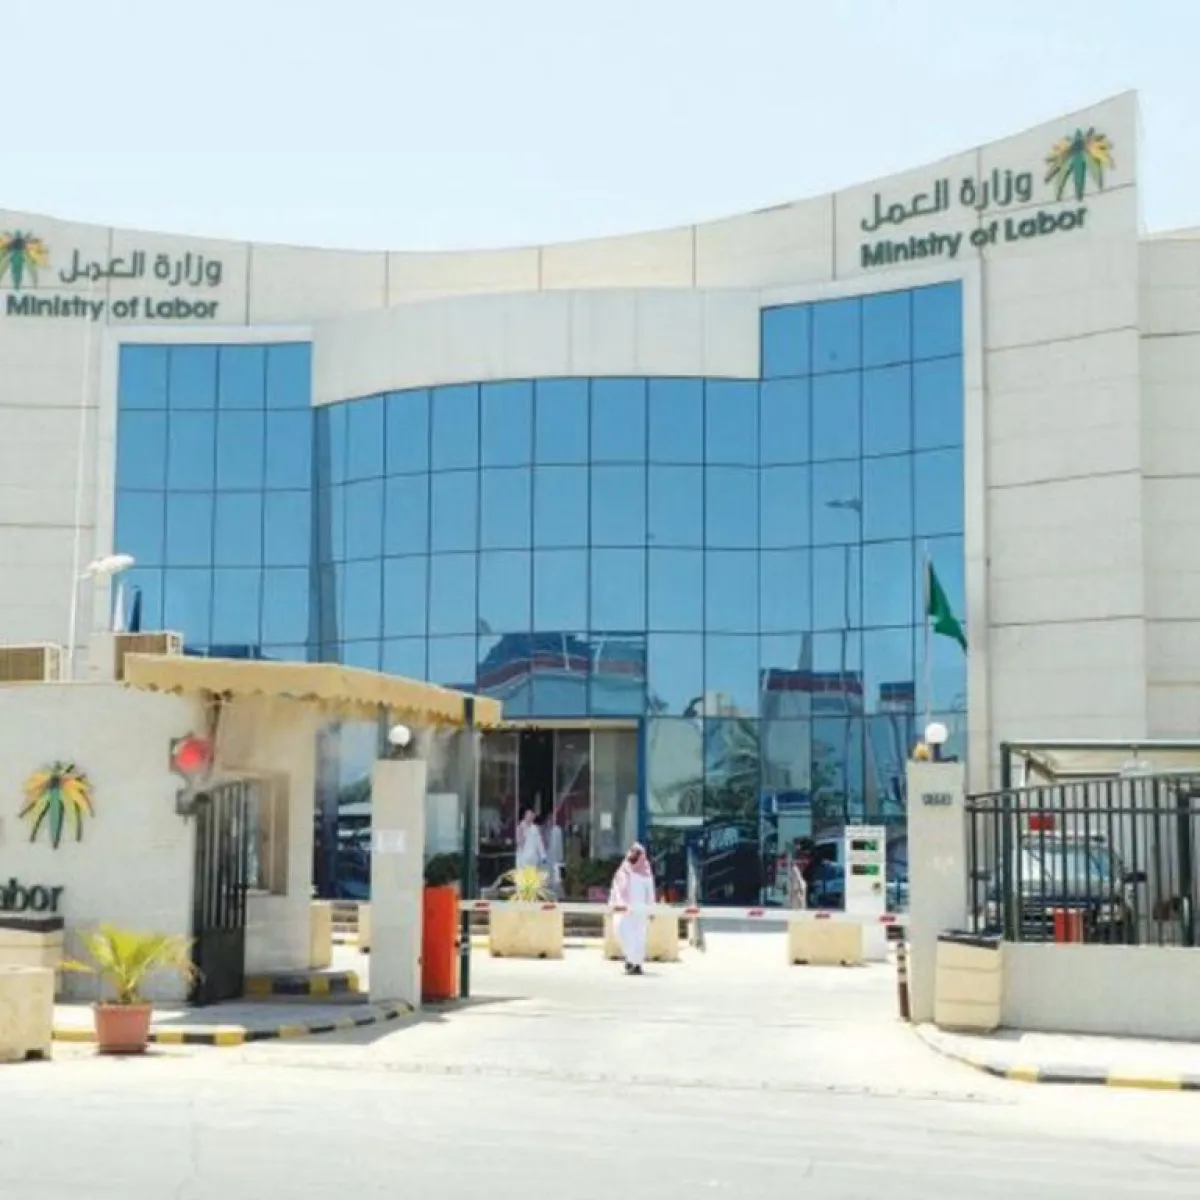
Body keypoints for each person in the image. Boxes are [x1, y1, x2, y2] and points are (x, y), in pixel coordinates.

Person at [610, 842, 656, 975]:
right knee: (620, 931)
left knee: (639, 938)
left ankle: (636, 964)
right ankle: (630, 958)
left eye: (637, 853)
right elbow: (615, 888)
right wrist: (611, 903)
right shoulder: (622, 870)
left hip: (640, 910)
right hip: (622, 908)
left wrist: (651, 910)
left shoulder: (646, 872)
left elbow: (650, 893)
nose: (633, 855)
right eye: (632, 851)